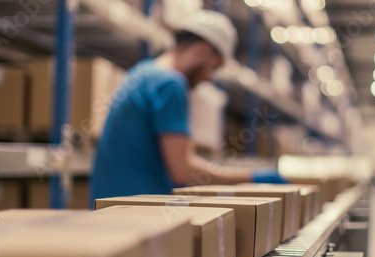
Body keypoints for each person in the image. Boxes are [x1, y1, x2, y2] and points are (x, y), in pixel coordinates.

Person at [90, 10, 287, 205]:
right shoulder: (169, 84)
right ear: (202, 50)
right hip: (135, 215)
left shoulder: (144, 72)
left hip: (115, 207)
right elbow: (182, 170)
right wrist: (252, 177)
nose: (209, 77)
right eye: (213, 67)